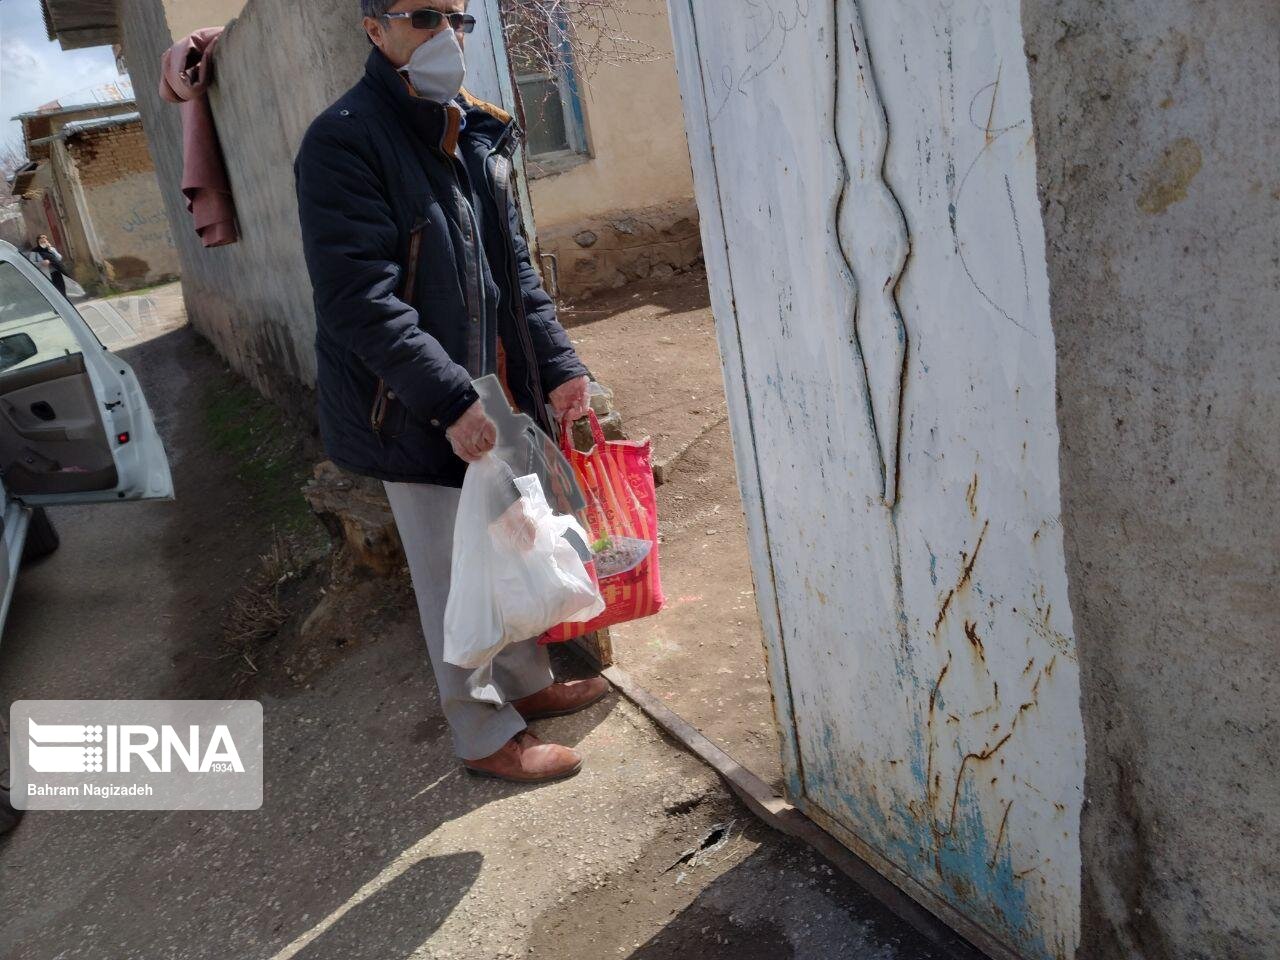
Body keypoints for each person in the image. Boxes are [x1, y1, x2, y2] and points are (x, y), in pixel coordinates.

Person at [294, 0, 606, 783]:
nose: (448, 38)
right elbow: (359, 298)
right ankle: (480, 734)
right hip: (415, 401)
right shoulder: (345, 139)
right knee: (451, 575)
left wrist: (560, 367)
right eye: (425, 17)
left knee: (515, 543)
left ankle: (528, 687)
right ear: (375, 29)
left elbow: (515, 271)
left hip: (495, 383)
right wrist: (448, 399)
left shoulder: (472, 127)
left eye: (459, 20)